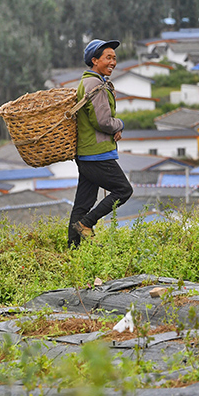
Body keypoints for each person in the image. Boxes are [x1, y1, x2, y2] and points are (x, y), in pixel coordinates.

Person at [68, 39, 133, 247]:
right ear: (94, 60)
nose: (113, 61)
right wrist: (119, 124)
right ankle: (87, 223)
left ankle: (73, 249)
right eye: (108, 57)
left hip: (86, 153)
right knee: (123, 190)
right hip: (97, 153)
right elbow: (103, 121)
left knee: (83, 202)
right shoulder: (95, 84)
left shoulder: (89, 82)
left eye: (114, 58)